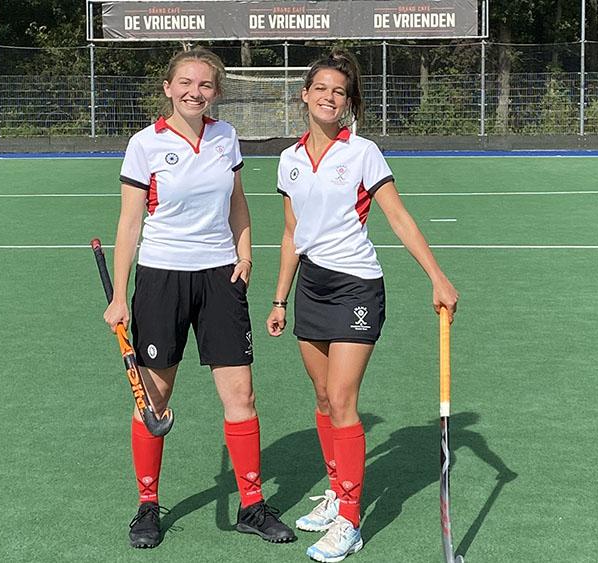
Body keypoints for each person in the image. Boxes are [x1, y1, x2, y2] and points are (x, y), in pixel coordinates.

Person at [266, 49, 459, 562]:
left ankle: (350, 519)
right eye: (322, 89)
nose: (330, 98)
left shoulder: (363, 153)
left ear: (349, 104)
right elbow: (291, 233)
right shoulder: (288, 160)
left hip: (356, 287)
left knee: (343, 398)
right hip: (310, 287)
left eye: (341, 93)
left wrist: (436, 276)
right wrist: (280, 297)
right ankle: (336, 492)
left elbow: (397, 217)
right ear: (304, 95)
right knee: (324, 401)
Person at [104, 47, 295, 549]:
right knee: (155, 399)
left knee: (241, 397)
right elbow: (129, 222)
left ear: (216, 92)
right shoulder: (144, 144)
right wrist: (120, 296)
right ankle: (147, 505)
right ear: (168, 88)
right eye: (185, 82)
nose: (195, 91)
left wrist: (246, 256)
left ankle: (252, 505)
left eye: (205, 85)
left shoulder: (225, 136)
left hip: (220, 279)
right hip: (161, 277)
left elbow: (237, 203)